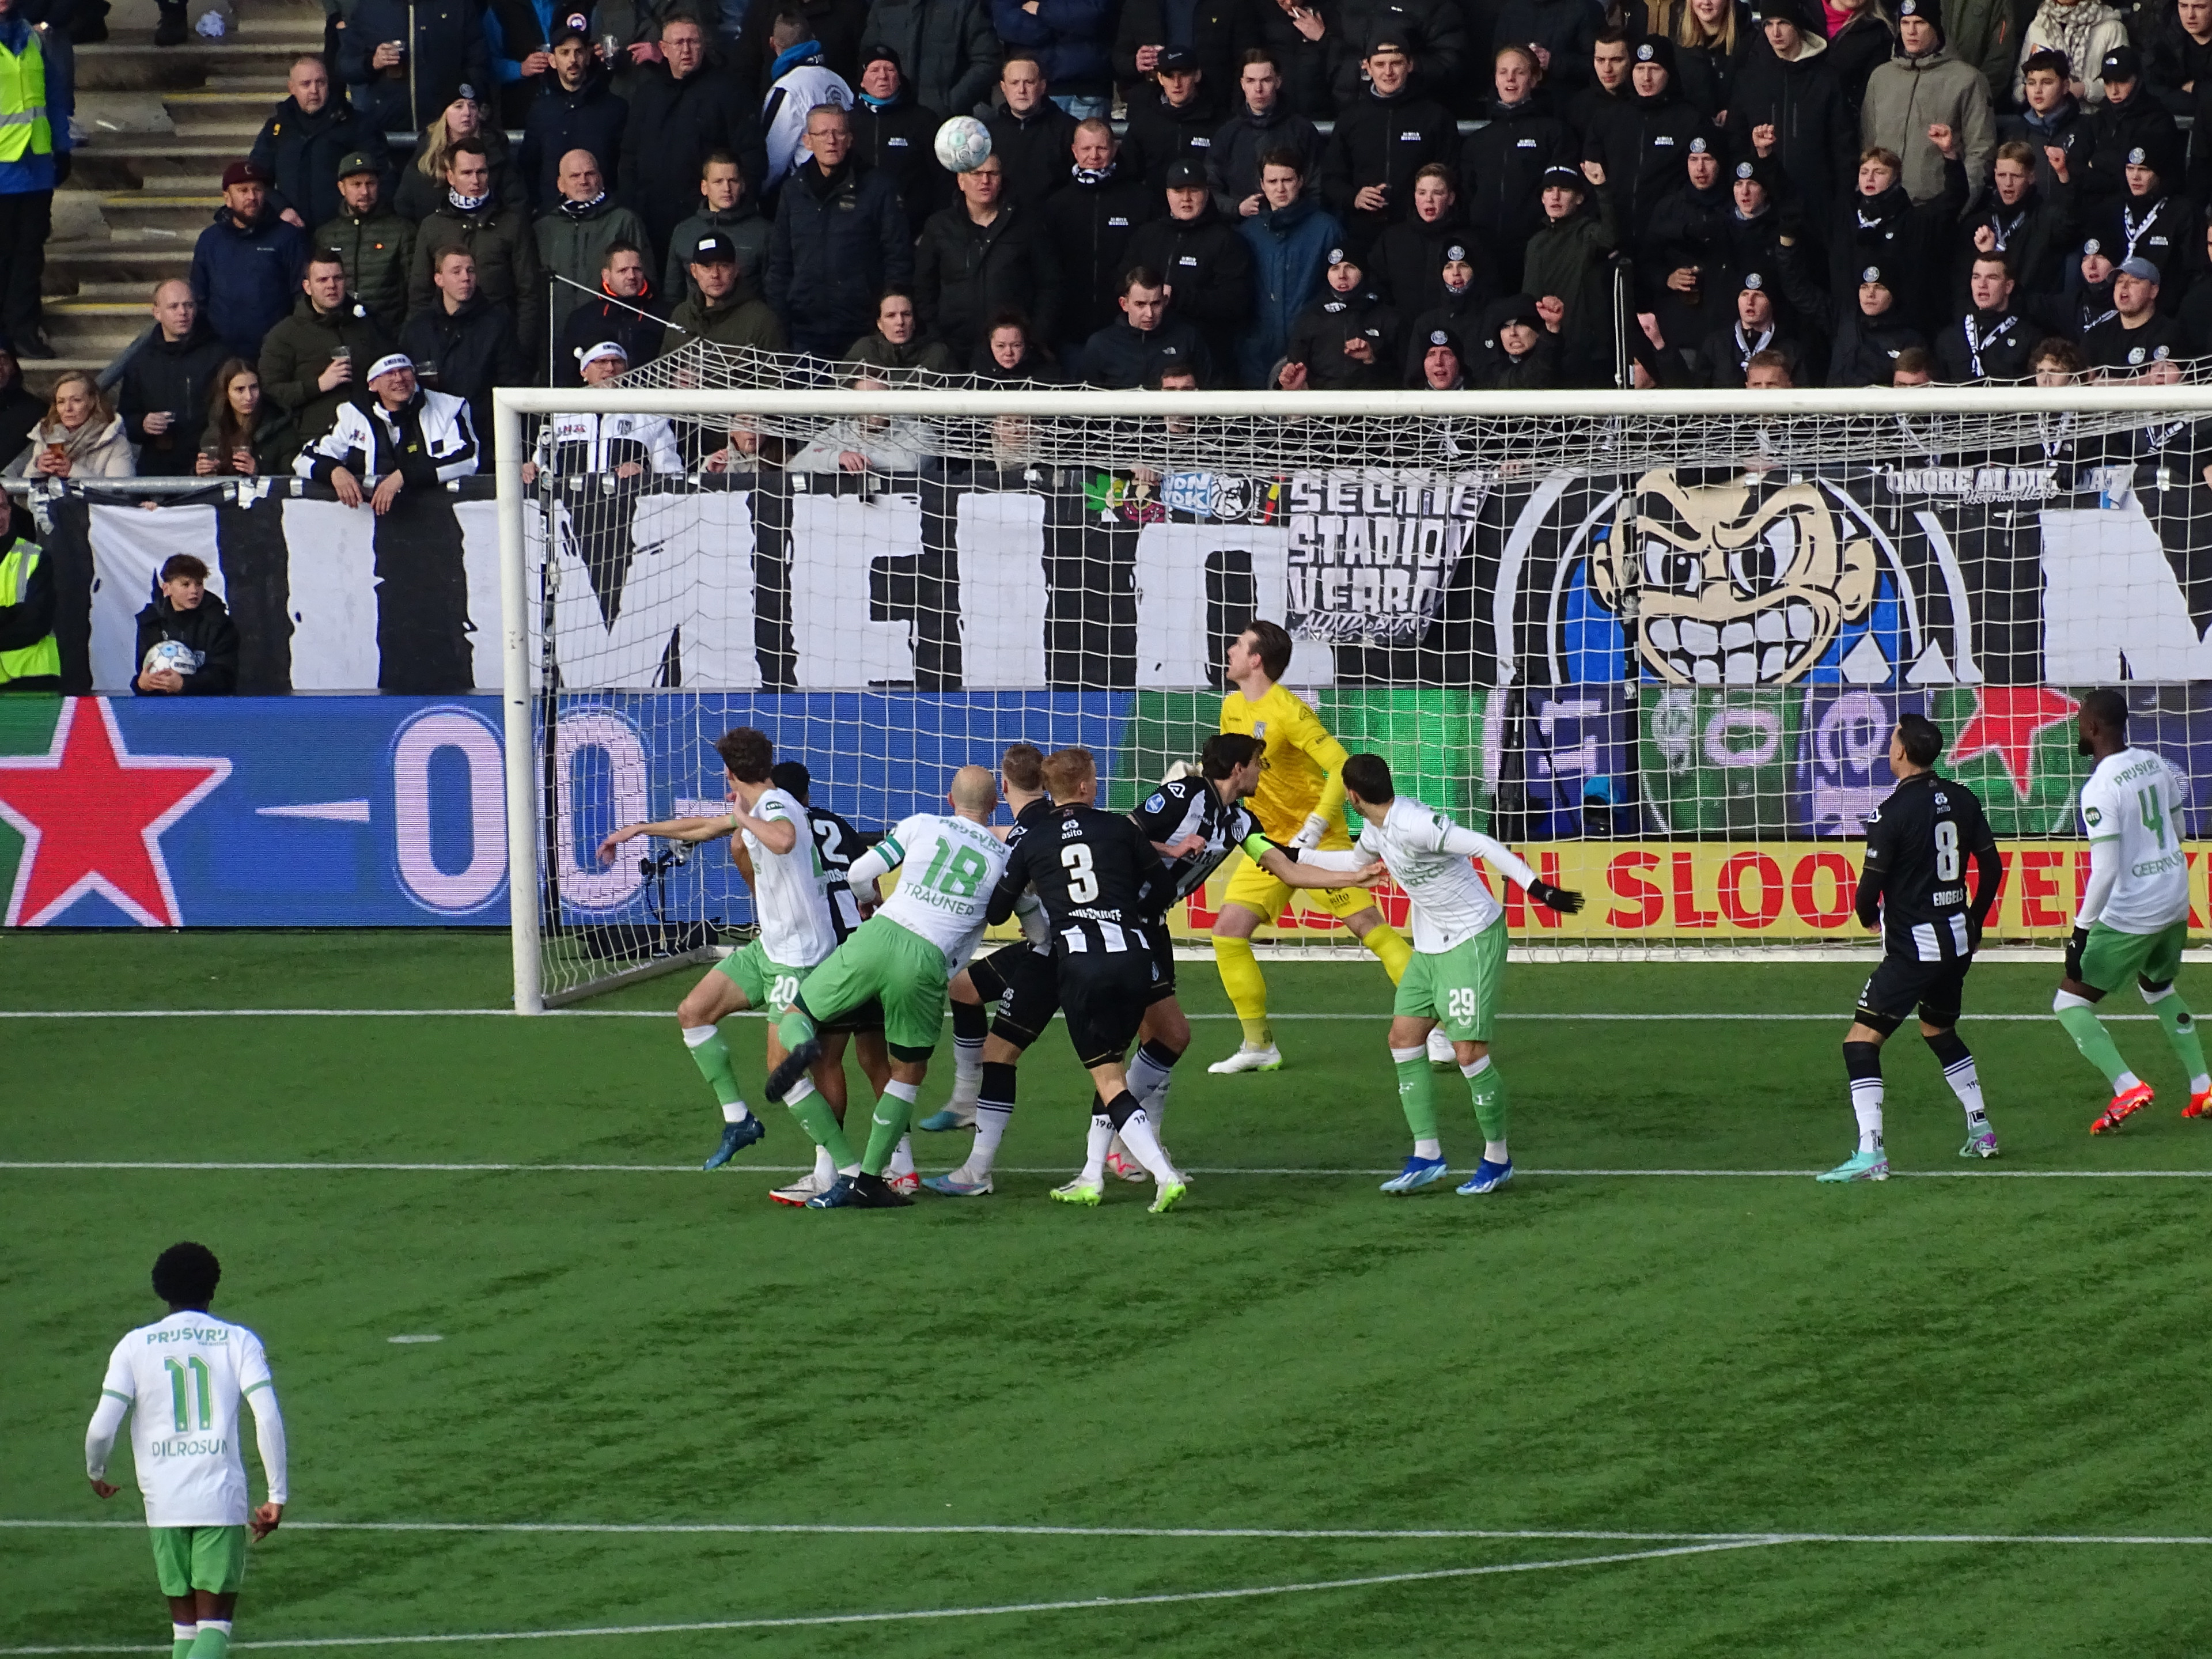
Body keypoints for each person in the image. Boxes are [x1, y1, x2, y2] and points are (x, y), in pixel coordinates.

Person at [1293, 752, 1584, 1195]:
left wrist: (1538, 888)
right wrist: (1295, 856)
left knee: (1468, 1053)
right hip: (1430, 946)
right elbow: (1354, 865)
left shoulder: (1416, 824)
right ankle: (1427, 1155)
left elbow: (1484, 845)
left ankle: (1498, 1159)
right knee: (1403, 1039)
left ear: (1352, 796)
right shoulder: (1375, 828)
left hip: (1472, 938)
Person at [594, 729, 847, 1171]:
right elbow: (705, 826)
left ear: (729, 772)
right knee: (693, 1013)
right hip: (770, 949)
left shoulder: (774, 806)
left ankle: (845, 1169)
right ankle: (738, 1120)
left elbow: (783, 840)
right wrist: (638, 830)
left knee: (782, 1073)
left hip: (799, 957)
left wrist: (743, 818)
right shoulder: (759, 805)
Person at [762, 764, 1010, 1210]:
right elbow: (1027, 920)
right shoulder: (1004, 857)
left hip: (878, 935)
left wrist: (869, 901)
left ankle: (804, 1048)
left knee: (799, 1015)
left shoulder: (922, 824)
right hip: (926, 961)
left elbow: (860, 872)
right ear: (996, 804)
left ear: (949, 800)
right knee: (906, 1071)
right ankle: (873, 1179)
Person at [982, 746, 1191, 1210]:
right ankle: (1092, 1175)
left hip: (1082, 965)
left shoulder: (1034, 840)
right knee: (1112, 1068)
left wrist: (1037, 902)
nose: (1097, 784)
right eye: (1094, 778)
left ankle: (1163, 1175)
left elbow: (997, 910)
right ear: (1083, 787)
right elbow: (1162, 889)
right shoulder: (1120, 828)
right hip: (1134, 958)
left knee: (1109, 1079)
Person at [1208, 620, 1421, 1074]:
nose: (1229, 650)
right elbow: (1236, 771)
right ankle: (1258, 1045)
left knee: (1369, 928)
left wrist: (1318, 821)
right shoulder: (1231, 707)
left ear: (1256, 660)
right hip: (1268, 840)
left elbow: (1341, 764)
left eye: (1238, 645)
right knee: (1228, 932)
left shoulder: (1290, 711)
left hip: (1316, 840)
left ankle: (1435, 1028)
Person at [1816, 713, 2003, 1182]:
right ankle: (1981, 1129)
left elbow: (1869, 890)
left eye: (1892, 740)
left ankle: (1871, 1153)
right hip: (1957, 941)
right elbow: (1993, 867)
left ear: (1901, 752)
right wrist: (1976, 918)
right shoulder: (1963, 798)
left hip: (1915, 949)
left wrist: (1867, 915)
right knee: (1938, 1029)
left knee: (1860, 1043)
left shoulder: (1891, 813)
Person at [84, 1243, 287, 1659]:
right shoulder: (237, 1341)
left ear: (161, 1289)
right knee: (214, 1631)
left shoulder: (134, 1346)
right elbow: (266, 1416)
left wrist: (96, 1470)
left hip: (164, 1501)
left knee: (185, 1633)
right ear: (213, 1287)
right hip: (219, 1497)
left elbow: (102, 1427)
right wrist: (276, 1494)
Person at [2050, 691, 2210, 1134]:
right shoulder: (2156, 764)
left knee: (2069, 1002)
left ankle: (2127, 1086)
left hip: (2134, 911)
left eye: (2081, 722)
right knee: (2158, 987)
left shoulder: (2100, 788)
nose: (2079, 729)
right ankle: (2203, 1087)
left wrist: (2080, 933)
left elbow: (2104, 872)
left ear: (2093, 727)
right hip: (2175, 897)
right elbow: (2179, 831)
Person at [763, 758, 898, 1203]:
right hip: (868, 946)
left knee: (826, 1061)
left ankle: (829, 1170)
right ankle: (904, 1166)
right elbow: (869, 883)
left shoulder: (785, 828)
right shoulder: (838, 824)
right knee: (877, 1059)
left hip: (831, 955)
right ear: (807, 792)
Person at [619, 12, 768, 264]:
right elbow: (629, 157)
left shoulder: (730, 91)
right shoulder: (647, 95)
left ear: (704, 45)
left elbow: (751, 155)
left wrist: (737, 211)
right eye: (679, 43)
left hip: (711, 223)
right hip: (652, 223)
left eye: (693, 42)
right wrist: (632, 209)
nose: (686, 50)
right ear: (663, 49)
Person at [767, 102, 912, 357]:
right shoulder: (792, 191)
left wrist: (885, 317)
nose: (831, 140)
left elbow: (898, 256)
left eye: (839, 133)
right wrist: (781, 321)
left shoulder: (879, 188)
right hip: (804, 330)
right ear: (807, 141)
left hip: (864, 330)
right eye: (822, 133)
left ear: (850, 139)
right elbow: (779, 263)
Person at [914, 150, 1059, 364]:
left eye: (993, 174)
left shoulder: (1027, 225)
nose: (985, 181)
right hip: (953, 350)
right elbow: (924, 287)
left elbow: (1050, 285)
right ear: (961, 181)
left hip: (1013, 354)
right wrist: (936, 338)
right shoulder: (939, 227)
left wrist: (1035, 337)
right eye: (977, 174)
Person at [1319, 33, 1455, 256]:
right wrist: (1354, 198)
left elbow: (1451, 176)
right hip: (1363, 233)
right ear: (1367, 67)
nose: (1388, 72)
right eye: (1380, 64)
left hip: (1420, 234)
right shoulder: (1350, 118)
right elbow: (1331, 178)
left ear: (1409, 65)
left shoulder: (1435, 117)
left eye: (1396, 63)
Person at [296, 352, 480, 512]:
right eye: (389, 373)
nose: (399, 379)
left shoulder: (450, 406)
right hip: (366, 519)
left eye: (404, 370)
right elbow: (304, 459)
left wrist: (404, 476)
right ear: (373, 384)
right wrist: (334, 471)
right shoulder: (352, 414)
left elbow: (468, 459)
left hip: (436, 513)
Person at [1731, 0, 1854, 234]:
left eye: (1783, 23)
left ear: (1798, 25)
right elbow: (1736, 139)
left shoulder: (1826, 79)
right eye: (1768, 25)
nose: (1775, 32)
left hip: (1817, 206)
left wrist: (1843, 201)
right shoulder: (1751, 78)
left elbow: (1842, 145)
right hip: (1764, 209)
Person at [1120, 156, 1251, 377]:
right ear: (1167, 194)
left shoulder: (1227, 241)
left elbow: (1235, 302)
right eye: (1179, 191)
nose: (1186, 199)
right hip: (1145, 351)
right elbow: (1121, 281)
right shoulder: (1147, 236)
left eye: (1194, 191)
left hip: (1203, 356)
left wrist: (1178, 297)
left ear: (1207, 193)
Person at [1461, 43, 1574, 296]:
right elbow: (1466, 195)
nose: (1510, 79)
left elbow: (1564, 193)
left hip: (1535, 250)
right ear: (1495, 79)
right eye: (1503, 72)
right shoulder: (1478, 141)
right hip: (1484, 250)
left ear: (1534, 79)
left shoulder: (1553, 132)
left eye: (1519, 72)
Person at [1042, 117, 1156, 364]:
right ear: (1074, 151)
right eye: (1086, 148)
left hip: (1123, 330)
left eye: (1101, 148)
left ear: (1114, 149)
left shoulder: (1140, 200)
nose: (1094, 156)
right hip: (1069, 330)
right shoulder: (1056, 205)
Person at [1859, 0, 1993, 208]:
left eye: (1920, 22)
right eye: (1905, 23)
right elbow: (1868, 145)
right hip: (1884, 211)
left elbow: (1981, 152)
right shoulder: (1881, 77)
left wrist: (1960, 206)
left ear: (1935, 26)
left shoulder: (1968, 80)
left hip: (1937, 210)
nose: (1911, 31)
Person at [257, 249, 391, 456]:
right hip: (316, 440)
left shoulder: (369, 322)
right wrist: (318, 385)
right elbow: (269, 391)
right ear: (307, 287)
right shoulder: (285, 334)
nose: (331, 286)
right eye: (322, 280)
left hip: (373, 435)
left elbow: (393, 364)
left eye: (338, 278)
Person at [400, 245, 528, 453]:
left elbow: (512, 382)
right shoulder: (418, 328)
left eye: (471, 271)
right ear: (439, 279)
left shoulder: (497, 324)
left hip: (483, 436)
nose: (466, 278)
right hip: (430, 435)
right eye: (456, 271)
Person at [251, 54, 391, 236]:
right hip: (290, 231)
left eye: (321, 83)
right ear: (292, 88)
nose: (314, 90)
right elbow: (256, 177)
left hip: (345, 232)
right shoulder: (277, 127)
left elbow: (381, 175)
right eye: (306, 84)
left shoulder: (356, 124)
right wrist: (281, 209)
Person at [0, 0, 69, 360]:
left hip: (36, 164)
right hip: (2, 167)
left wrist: (62, 146)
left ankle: (23, 328)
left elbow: (53, 96)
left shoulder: (31, 36)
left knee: (30, 253)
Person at [1239, 146, 1341, 387]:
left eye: (1287, 180)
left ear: (1301, 181)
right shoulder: (1247, 232)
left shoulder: (1326, 229)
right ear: (1262, 185)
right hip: (1257, 349)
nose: (1280, 188)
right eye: (1272, 181)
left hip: (1311, 347)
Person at [191, 161, 310, 361]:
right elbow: (199, 296)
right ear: (227, 198)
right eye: (243, 190)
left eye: (257, 190)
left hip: (276, 352)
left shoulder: (288, 237)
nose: (252, 197)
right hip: (222, 354)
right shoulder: (210, 240)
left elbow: (301, 295)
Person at [533, 147, 649, 336]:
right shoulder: (543, 228)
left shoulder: (624, 221)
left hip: (612, 333)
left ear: (600, 179)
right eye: (575, 176)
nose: (583, 181)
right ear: (561, 184)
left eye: (590, 174)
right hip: (556, 332)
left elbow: (645, 281)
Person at [1521, 160, 1618, 385]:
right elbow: (1529, 298)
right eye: (1549, 190)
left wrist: (1602, 189)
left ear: (1579, 198)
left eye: (1564, 190)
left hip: (1588, 354)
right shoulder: (1535, 243)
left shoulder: (1589, 232)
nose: (1555, 196)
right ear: (1542, 198)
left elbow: (1611, 238)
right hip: (1546, 350)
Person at [119, 280, 228, 478]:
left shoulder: (219, 355)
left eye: (188, 305)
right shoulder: (141, 361)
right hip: (158, 466)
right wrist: (143, 424)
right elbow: (125, 418)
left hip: (209, 462)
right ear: (157, 313)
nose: (183, 312)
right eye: (173, 306)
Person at [339, 0, 491, 140]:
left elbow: (478, 62)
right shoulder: (370, 7)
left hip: (444, 134)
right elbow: (345, 65)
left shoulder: (457, 5)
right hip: (385, 132)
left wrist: (465, 102)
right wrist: (372, 62)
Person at [518, 22, 630, 209]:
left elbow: (627, 168)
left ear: (588, 57)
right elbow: (528, 167)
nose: (573, 59)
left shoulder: (615, 108)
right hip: (553, 216)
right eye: (565, 53)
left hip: (605, 214)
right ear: (553, 61)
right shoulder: (540, 111)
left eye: (578, 52)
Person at [1208, 48, 1321, 218]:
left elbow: (1317, 188)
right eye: (1251, 81)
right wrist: (1237, 208)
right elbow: (1210, 187)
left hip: (1296, 225)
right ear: (1242, 84)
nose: (1258, 89)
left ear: (1278, 82)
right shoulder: (1227, 134)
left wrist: (1297, 218)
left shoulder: (1302, 130)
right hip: (1241, 226)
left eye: (1266, 80)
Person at [312, 151, 414, 339]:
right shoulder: (325, 235)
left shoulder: (402, 231)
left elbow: (415, 291)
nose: (365, 192)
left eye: (370, 184)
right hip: (339, 334)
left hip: (389, 335)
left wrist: (405, 334)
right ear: (342, 188)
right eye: (356, 185)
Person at [392, 88, 528, 222]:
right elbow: (404, 207)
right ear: (444, 113)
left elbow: (517, 206)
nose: (467, 113)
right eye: (458, 106)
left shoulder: (496, 152)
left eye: (473, 106)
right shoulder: (425, 154)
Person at [1369, 160, 1479, 319]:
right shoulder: (1392, 238)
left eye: (1437, 193)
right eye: (1422, 193)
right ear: (1415, 197)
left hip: (1453, 329)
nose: (1429, 199)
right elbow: (1376, 286)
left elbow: (1484, 293)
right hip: (1402, 328)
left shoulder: (1470, 241)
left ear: (1451, 198)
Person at [847, 43, 942, 224]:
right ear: (862, 80)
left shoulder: (924, 120)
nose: (883, 76)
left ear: (899, 78)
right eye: (874, 70)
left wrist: (933, 228)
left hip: (913, 227)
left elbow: (941, 179)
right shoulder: (848, 122)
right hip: (858, 226)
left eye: (890, 69)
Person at [859, 0, 999, 121]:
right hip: (891, 120)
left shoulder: (965, 4)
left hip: (945, 124)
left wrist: (951, 104)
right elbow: (868, 58)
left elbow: (987, 60)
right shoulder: (884, 4)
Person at [661, 153, 772, 305]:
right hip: (696, 318)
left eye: (733, 181)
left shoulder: (765, 232)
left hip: (748, 318)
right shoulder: (684, 231)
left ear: (743, 185)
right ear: (704, 187)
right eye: (718, 182)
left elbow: (774, 293)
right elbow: (673, 295)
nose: (727, 188)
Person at [760, 12, 854, 190]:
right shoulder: (838, 81)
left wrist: (758, 194)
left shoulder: (787, 88)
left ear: (772, 43)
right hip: (847, 183)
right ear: (812, 38)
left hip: (807, 191)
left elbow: (772, 160)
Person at [552, 240, 665, 381]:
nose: (632, 276)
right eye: (623, 270)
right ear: (606, 275)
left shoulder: (664, 315)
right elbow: (566, 373)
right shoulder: (582, 318)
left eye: (637, 269)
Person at [661, 229, 790, 353]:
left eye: (724, 266)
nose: (715, 274)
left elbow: (777, 368)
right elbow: (663, 365)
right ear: (694, 271)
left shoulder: (762, 321)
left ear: (736, 269)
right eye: (707, 266)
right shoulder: (681, 315)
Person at [987, 0, 1113, 124]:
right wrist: (1061, 24)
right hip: (1032, 88)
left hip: (1087, 88)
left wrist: (1042, 10)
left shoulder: (1042, 11)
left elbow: (1095, 15)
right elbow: (1007, 24)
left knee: (1089, 138)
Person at [1084, 263, 1210, 386]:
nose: (1150, 314)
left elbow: (1211, 390)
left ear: (1165, 301)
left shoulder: (1187, 339)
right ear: (1124, 304)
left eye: (1156, 304)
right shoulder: (1101, 344)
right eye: (1140, 304)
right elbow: (1084, 394)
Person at [982, 52, 1079, 211]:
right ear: (1003, 88)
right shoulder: (987, 133)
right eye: (1014, 83)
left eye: (1029, 82)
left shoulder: (1069, 130)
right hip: (1000, 223)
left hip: (1053, 220)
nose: (1022, 90)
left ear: (1043, 86)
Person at [1119, 46, 1224, 192]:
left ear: (1197, 75)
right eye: (1170, 76)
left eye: (1184, 75)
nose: (1177, 84)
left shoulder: (1220, 123)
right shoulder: (1143, 123)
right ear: (1160, 78)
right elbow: (1128, 176)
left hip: (1207, 205)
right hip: (1154, 205)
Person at [132, 552, 238, 696]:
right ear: (167, 589)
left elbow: (226, 677)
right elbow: (144, 669)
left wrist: (185, 684)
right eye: (186, 584)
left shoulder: (218, 622)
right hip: (161, 706)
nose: (194, 591)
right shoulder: (151, 621)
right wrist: (141, 685)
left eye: (199, 584)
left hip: (207, 705)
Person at [1934, 250, 2041, 380]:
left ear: (2008, 286)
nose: (1982, 285)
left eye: (1992, 278)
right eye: (1976, 277)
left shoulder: (2029, 338)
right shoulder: (1949, 338)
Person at [7, 371, 132, 478]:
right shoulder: (47, 436)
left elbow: (121, 491)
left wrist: (72, 471)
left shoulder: (114, 441)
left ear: (92, 402)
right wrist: (38, 468)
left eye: (76, 400)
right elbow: (24, 490)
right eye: (61, 402)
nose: (68, 408)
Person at [2013, 0, 2127, 108]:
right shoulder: (2038, 26)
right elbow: (2020, 80)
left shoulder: (2112, 29)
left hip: (2091, 117)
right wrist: (2031, 90)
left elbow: (2122, 81)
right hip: (2044, 119)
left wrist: (2085, 89)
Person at [2082, 256, 2184, 374]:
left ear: (2153, 291)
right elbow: (2083, 379)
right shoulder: (2096, 334)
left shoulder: (2169, 333)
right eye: (2119, 281)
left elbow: (2160, 379)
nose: (2124, 286)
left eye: (2134, 281)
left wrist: (2101, 382)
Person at [0, 492, 56, 689]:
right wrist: (12, 614)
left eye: (3, 507)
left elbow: (35, 623)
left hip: (34, 678)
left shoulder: (37, 558)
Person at [842, 284, 955, 372]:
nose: (900, 322)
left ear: (914, 321)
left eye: (906, 314)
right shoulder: (864, 350)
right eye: (891, 316)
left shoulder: (938, 354)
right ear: (879, 324)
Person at [195, 359, 278, 475]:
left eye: (254, 387)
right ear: (226, 393)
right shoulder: (215, 432)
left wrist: (259, 471)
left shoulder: (278, 428)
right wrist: (200, 471)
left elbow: (291, 475)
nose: (249, 397)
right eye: (240, 389)